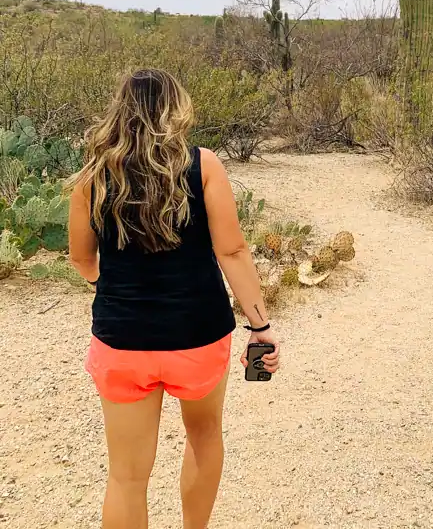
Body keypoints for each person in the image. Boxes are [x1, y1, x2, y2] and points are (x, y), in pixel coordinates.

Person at [68, 68, 280, 529]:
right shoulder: (203, 164)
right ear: (176, 109)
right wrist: (260, 327)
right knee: (203, 437)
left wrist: (114, 290)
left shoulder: (92, 176)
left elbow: (82, 261)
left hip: (121, 341)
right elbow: (232, 250)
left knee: (126, 477)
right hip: (198, 337)